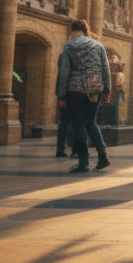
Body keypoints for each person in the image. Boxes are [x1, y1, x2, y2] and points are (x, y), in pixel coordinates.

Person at [55, 19, 111, 173]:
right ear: (86, 30)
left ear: (73, 31)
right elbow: (105, 70)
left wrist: (61, 95)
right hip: (94, 89)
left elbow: (64, 73)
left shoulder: (69, 45)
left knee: (78, 125)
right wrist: (107, 90)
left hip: (75, 90)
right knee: (91, 122)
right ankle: (103, 156)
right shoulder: (98, 45)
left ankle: (83, 162)